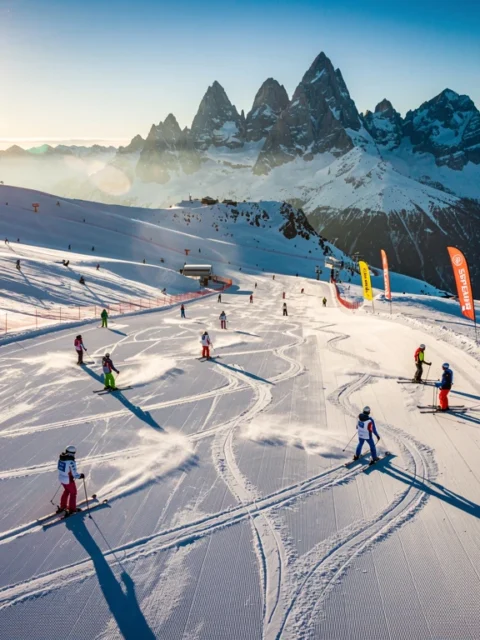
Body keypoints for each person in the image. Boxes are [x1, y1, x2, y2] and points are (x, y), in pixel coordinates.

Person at [57, 445, 84, 515]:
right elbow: (75, 474)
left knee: (67, 491)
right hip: (68, 480)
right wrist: (80, 476)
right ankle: (72, 509)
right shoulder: (71, 461)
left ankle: (63, 506)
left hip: (61, 478)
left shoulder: (61, 458)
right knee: (73, 493)